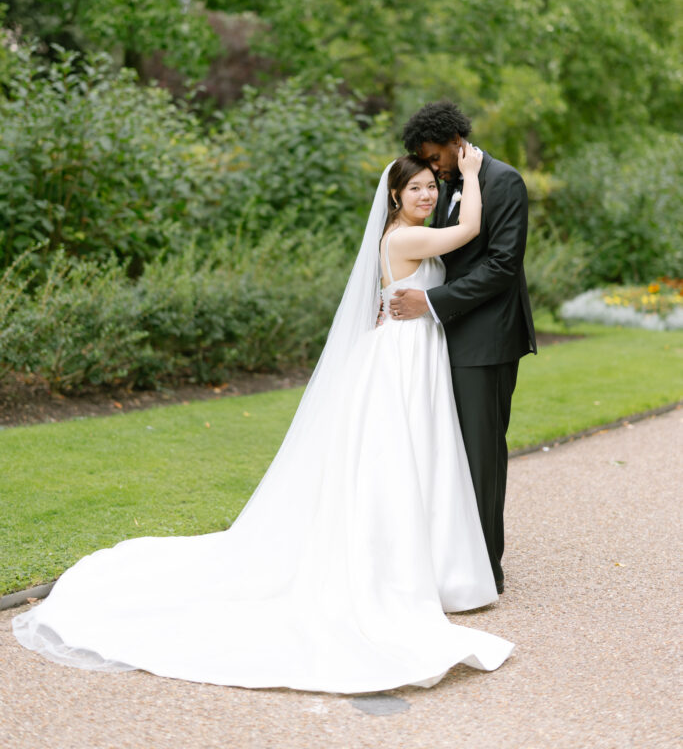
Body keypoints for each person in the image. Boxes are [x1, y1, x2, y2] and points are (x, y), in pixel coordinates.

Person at [13, 150, 513, 694]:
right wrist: (468, 173)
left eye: (430, 187)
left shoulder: (399, 235)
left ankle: (422, 560)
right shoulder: (404, 238)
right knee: (404, 454)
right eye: (415, 188)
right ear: (394, 196)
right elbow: (471, 228)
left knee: (413, 454)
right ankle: (402, 566)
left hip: (409, 351)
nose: (427, 195)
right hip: (404, 357)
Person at [391, 101, 537, 595]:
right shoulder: (450, 182)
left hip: (487, 339)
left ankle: (485, 570)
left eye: (435, 157)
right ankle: (451, 561)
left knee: (480, 455)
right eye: (425, 163)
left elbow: (501, 266)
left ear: (457, 140)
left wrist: (430, 302)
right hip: (441, 337)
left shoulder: (503, 181)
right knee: (445, 455)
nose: (431, 170)